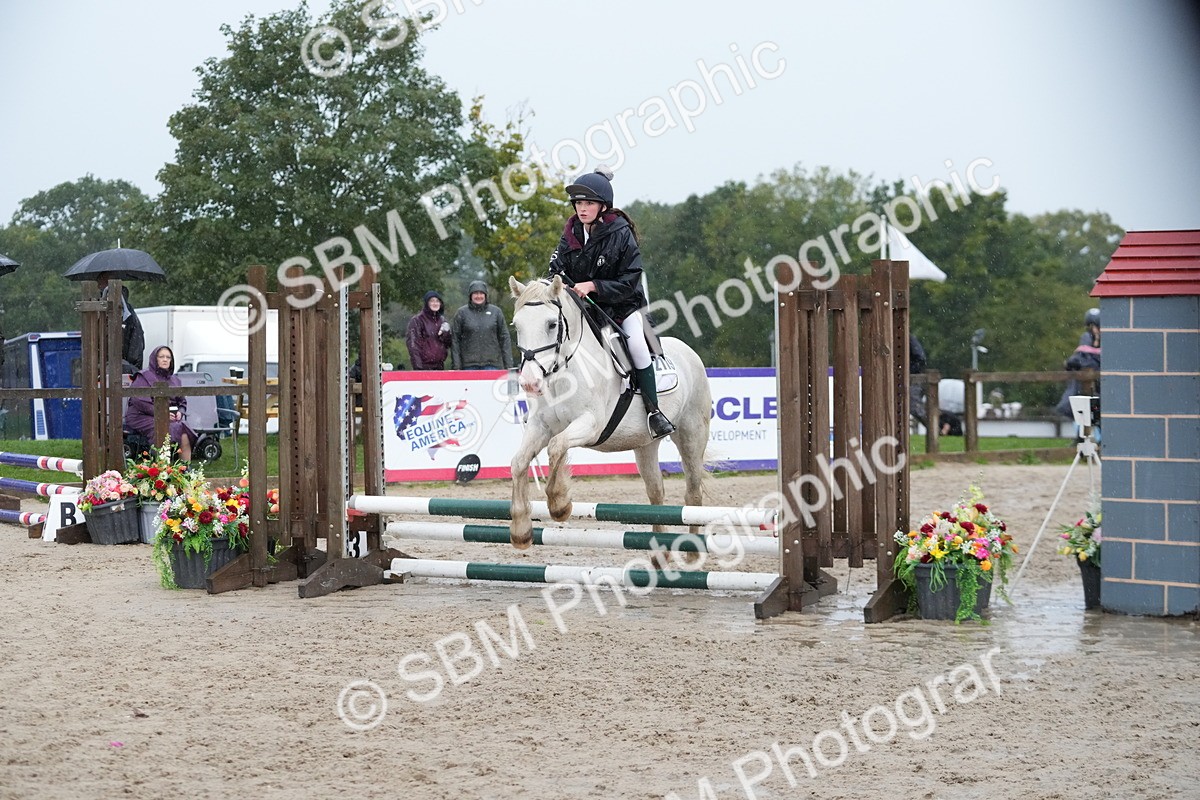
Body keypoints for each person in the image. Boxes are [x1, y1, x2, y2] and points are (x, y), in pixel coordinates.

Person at [546, 167, 675, 439]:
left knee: (637, 347)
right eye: (578, 203)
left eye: (588, 203)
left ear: (603, 206)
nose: (582, 209)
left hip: (623, 305)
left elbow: (630, 280)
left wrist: (593, 285)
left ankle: (654, 412)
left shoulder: (621, 233)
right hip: (586, 309)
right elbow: (555, 269)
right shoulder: (571, 233)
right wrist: (557, 284)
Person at [125, 345, 197, 462]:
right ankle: (162, 467)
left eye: (168, 357)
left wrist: (180, 412)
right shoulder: (143, 377)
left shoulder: (175, 380)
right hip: (142, 416)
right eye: (161, 357)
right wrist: (162, 414)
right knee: (163, 428)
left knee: (184, 429)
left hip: (169, 417)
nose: (165, 360)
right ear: (155, 359)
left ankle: (185, 468)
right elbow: (139, 402)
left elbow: (182, 402)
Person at [1057, 307, 1101, 439]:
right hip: (1085, 387)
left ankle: (1093, 438)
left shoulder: (1106, 340)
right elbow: (1080, 359)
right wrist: (1071, 363)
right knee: (1081, 408)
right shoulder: (1086, 338)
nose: (1095, 329)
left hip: (1099, 385)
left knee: (1095, 410)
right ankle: (1081, 438)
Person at [450, 281, 513, 371]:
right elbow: (455, 340)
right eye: (475, 293)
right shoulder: (461, 313)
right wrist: (456, 366)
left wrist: (509, 365)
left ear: (485, 295)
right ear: (470, 295)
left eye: (481, 293)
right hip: (468, 365)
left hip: (492, 365)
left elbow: (504, 338)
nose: (478, 296)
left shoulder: (496, 312)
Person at [97, 275, 145, 375]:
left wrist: (130, 368)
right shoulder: (99, 311)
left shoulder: (127, 314)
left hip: (123, 369)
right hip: (105, 368)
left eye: (100, 283)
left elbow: (136, 342)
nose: (98, 286)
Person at [406, 290, 452, 370]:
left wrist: (446, 333)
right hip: (424, 366)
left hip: (440, 365)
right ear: (426, 303)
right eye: (432, 301)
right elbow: (413, 346)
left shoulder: (442, 320)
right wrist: (418, 368)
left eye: (437, 301)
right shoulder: (417, 320)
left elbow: (448, 344)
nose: (435, 303)